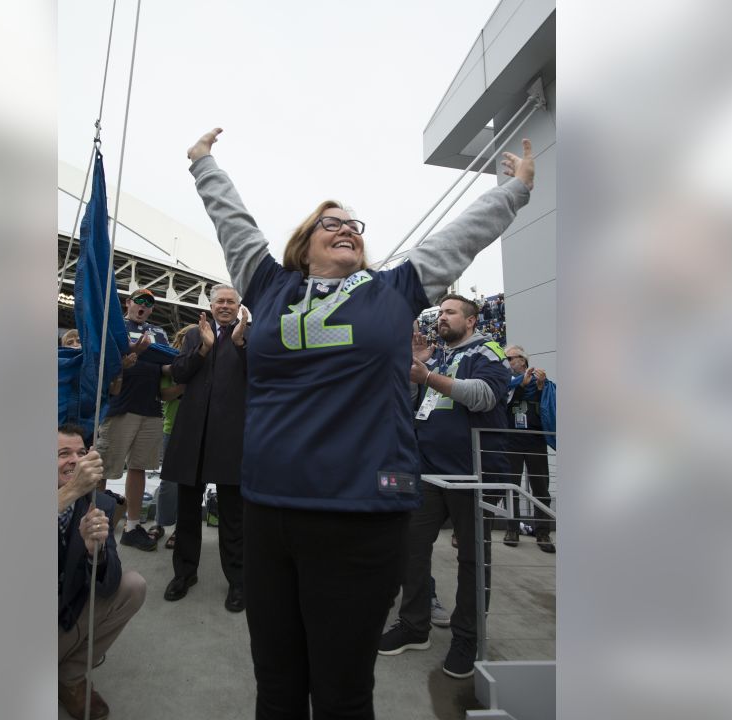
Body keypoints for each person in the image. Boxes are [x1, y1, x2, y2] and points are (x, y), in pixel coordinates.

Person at [185, 127, 535, 719]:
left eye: (354, 224)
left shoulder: (395, 289)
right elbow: (234, 223)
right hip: (270, 510)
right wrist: (203, 165)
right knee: (276, 686)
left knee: (344, 692)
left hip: (362, 517)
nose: (347, 228)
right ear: (304, 242)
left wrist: (515, 191)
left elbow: (461, 237)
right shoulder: (269, 285)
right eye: (331, 222)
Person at [378, 295, 511, 678]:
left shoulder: (487, 351)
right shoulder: (435, 357)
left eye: (450, 312)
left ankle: (467, 636)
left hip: (474, 474)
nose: (442, 318)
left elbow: (486, 397)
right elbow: (413, 403)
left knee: (472, 559)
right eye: (440, 313)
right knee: (412, 549)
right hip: (428, 472)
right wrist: (417, 371)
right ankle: (414, 625)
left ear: (470, 321)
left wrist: (429, 376)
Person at [160, 285, 251, 611]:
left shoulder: (248, 336)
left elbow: (259, 376)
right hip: (193, 435)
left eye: (230, 301)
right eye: (220, 302)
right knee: (187, 511)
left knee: (232, 515)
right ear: (210, 306)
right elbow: (180, 373)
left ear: (239, 306)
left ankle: (238, 582)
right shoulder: (194, 335)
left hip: (231, 438)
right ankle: (184, 574)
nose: (225, 306)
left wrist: (240, 343)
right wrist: (203, 349)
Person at [57, 424, 147, 720]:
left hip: (64, 618)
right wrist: (70, 492)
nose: (74, 460)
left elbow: (110, 584)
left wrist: (94, 553)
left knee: (133, 586)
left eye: (81, 453)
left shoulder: (97, 504)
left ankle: (70, 678)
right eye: (62, 453)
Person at [98, 288, 168, 551]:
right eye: (138, 300)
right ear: (128, 303)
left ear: (151, 309)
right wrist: (122, 363)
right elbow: (103, 362)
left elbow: (167, 367)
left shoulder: (159, 333)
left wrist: (193, 362)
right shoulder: (115, 327)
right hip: (119, 407)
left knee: (139, 467)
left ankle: (132, 526)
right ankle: (98, 526)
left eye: (148, 303)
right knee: (104, 469)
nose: (143, 305)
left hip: (151, 409)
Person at [503, 345, 556, 552]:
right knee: (511, 486)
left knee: (540, 487)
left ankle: (542, 532)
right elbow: (501, 402)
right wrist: (520, 386)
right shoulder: (506, 383)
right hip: (511, 439)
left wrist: (540, 387)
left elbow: (547, 407)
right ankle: (512, 529)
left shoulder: (540, 382)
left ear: (522, 360)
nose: (507, 363)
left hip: (535, 439)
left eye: (510, 359)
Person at [146, 324, 195, 550]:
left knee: (192, 482)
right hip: (172, 427)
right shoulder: (169, 365)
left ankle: (181, 529)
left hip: (198, 428)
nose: (189, 342)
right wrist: (185, 384)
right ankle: (161, 523)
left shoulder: (204, 361)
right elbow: (164, 395)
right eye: (186, 337)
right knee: (169, 480)